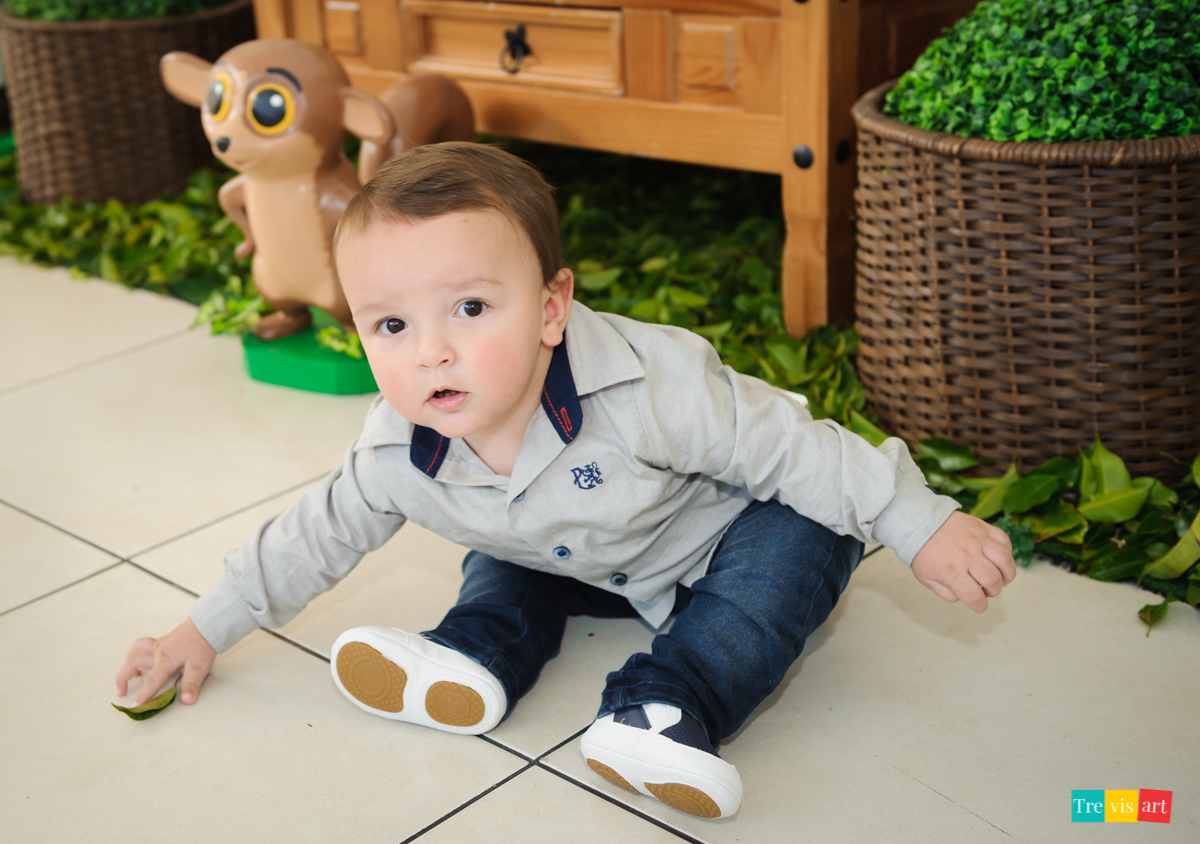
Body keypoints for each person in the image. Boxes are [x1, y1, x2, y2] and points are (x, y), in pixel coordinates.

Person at [115, 142, 1016, 820]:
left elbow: (790, 445)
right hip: (575, 558)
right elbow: (315, 532)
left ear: (551, 308)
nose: (431, 350)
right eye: (389, 325)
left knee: (801, 537)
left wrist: (917, 519)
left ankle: (666, 704)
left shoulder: (646, 383)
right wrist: (200, 628)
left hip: (715, 543)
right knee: (500, 543)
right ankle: (476, 652)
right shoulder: (400, 447)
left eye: (470, 308)